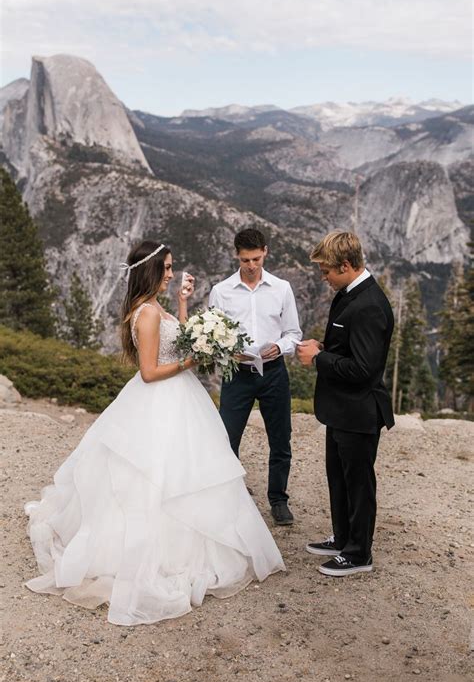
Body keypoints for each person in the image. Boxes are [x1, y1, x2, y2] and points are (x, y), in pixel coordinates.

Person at [24, 240, 285, 626]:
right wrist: (191, 360)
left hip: (179, 397)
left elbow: (175, 336)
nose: (169, 273)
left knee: (188, 470)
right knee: (156, 478)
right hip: (158, 399)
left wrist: (183, 305)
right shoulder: (145, 313)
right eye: (166, 268)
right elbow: (149, 372)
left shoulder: (156, 308)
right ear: (149, 271)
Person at [297, 231, 394, 577]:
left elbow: (365, 369)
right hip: (340, 408)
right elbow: (349, 348)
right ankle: (342, 537)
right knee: (338, 478)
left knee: (358, 483)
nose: (323, 278)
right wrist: (323, 348)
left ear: (348, 265)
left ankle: (358, 553)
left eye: (327, 271)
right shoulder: (349, 293)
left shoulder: (369, 305)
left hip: (359, 410)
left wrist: (318, 360)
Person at [209, 228, 302, 526]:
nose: (251, 265)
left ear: (266, 252)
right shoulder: (221, 291)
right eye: (246, 259)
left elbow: (293, 334)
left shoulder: (282, 288)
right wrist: (227, 353)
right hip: (237, 373)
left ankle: (278, 500)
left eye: (257, 258)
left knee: (280, 438)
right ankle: (231, 493)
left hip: (274, 372)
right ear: (237, 255)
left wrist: (280, 347)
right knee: (227, 437)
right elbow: (212, 337)